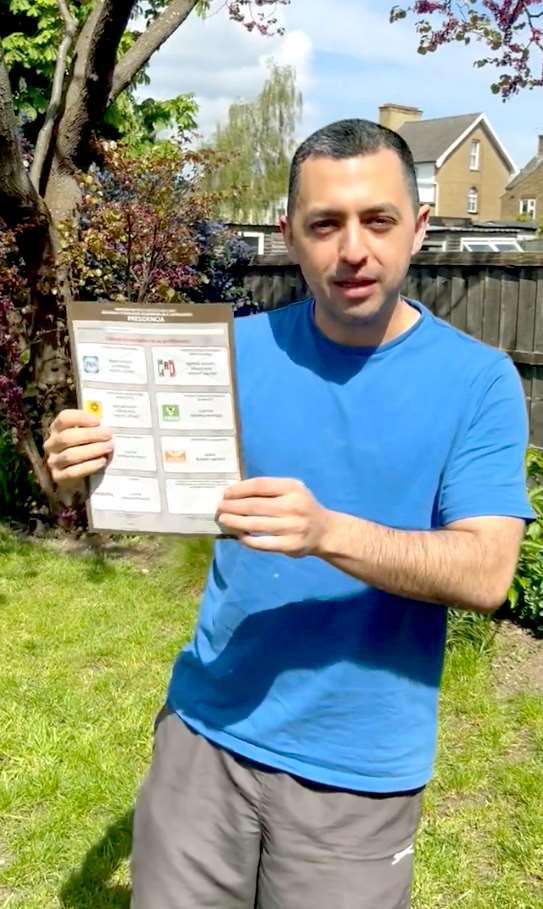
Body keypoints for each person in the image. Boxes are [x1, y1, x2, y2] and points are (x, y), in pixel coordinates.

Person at [44, 118, 533, 909]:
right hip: (206, 735)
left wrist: (327, 531)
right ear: (288, 235)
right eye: (325, 224)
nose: (352, 249)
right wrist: (79, 466)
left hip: (355, 772)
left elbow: (485, 571)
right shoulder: (229, 356)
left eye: (377, 220)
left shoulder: (477, 382)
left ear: (418, 228)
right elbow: (115, 493)